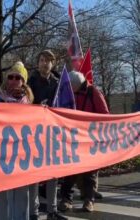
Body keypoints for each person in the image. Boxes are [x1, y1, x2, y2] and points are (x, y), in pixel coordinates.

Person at [58, 70, 109, 213]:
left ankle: (89, 200)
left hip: (89, 139)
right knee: (69, 171)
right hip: (72, 138)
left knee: (90, 172)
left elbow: (104, 115)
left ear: (79, 85)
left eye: (73, 88)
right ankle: (66, 199)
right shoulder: (68, 91)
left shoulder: (94, 93)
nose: (71, 91)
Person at [27, 49, 67, 220]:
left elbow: (64, 106)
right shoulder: (31, 82)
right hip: (35, 133)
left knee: (53, 173)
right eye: (41, 60)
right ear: (38, 63)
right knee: (35, 174)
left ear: (53, 63)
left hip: (52, 133)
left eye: (48, 60)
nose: (44, 63)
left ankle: (52, 210)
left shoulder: (58, 83)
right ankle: (34, 211)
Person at [0, 61, 33, 220]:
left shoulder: (30, 103)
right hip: (2, 153)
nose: (14, 80)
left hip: (23, 153)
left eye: (18, 77)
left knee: (22, 193)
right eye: (11, 76)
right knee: (2, 194)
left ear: (23, 81)